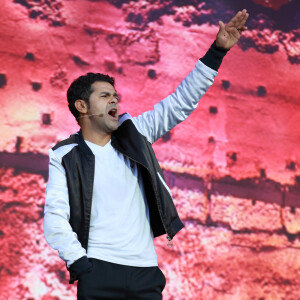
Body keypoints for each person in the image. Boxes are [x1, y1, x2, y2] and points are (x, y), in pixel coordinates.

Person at [44, 9, 249, 300]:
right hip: (98, 270)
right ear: (82, 107)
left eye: (115, 95)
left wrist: (217, 52)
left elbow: (180, 102)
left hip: (145, 272)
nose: (114, 99)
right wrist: (80, 262)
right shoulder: (65, 155)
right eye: (104, 96)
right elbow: (54, 216)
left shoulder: (135, 134)